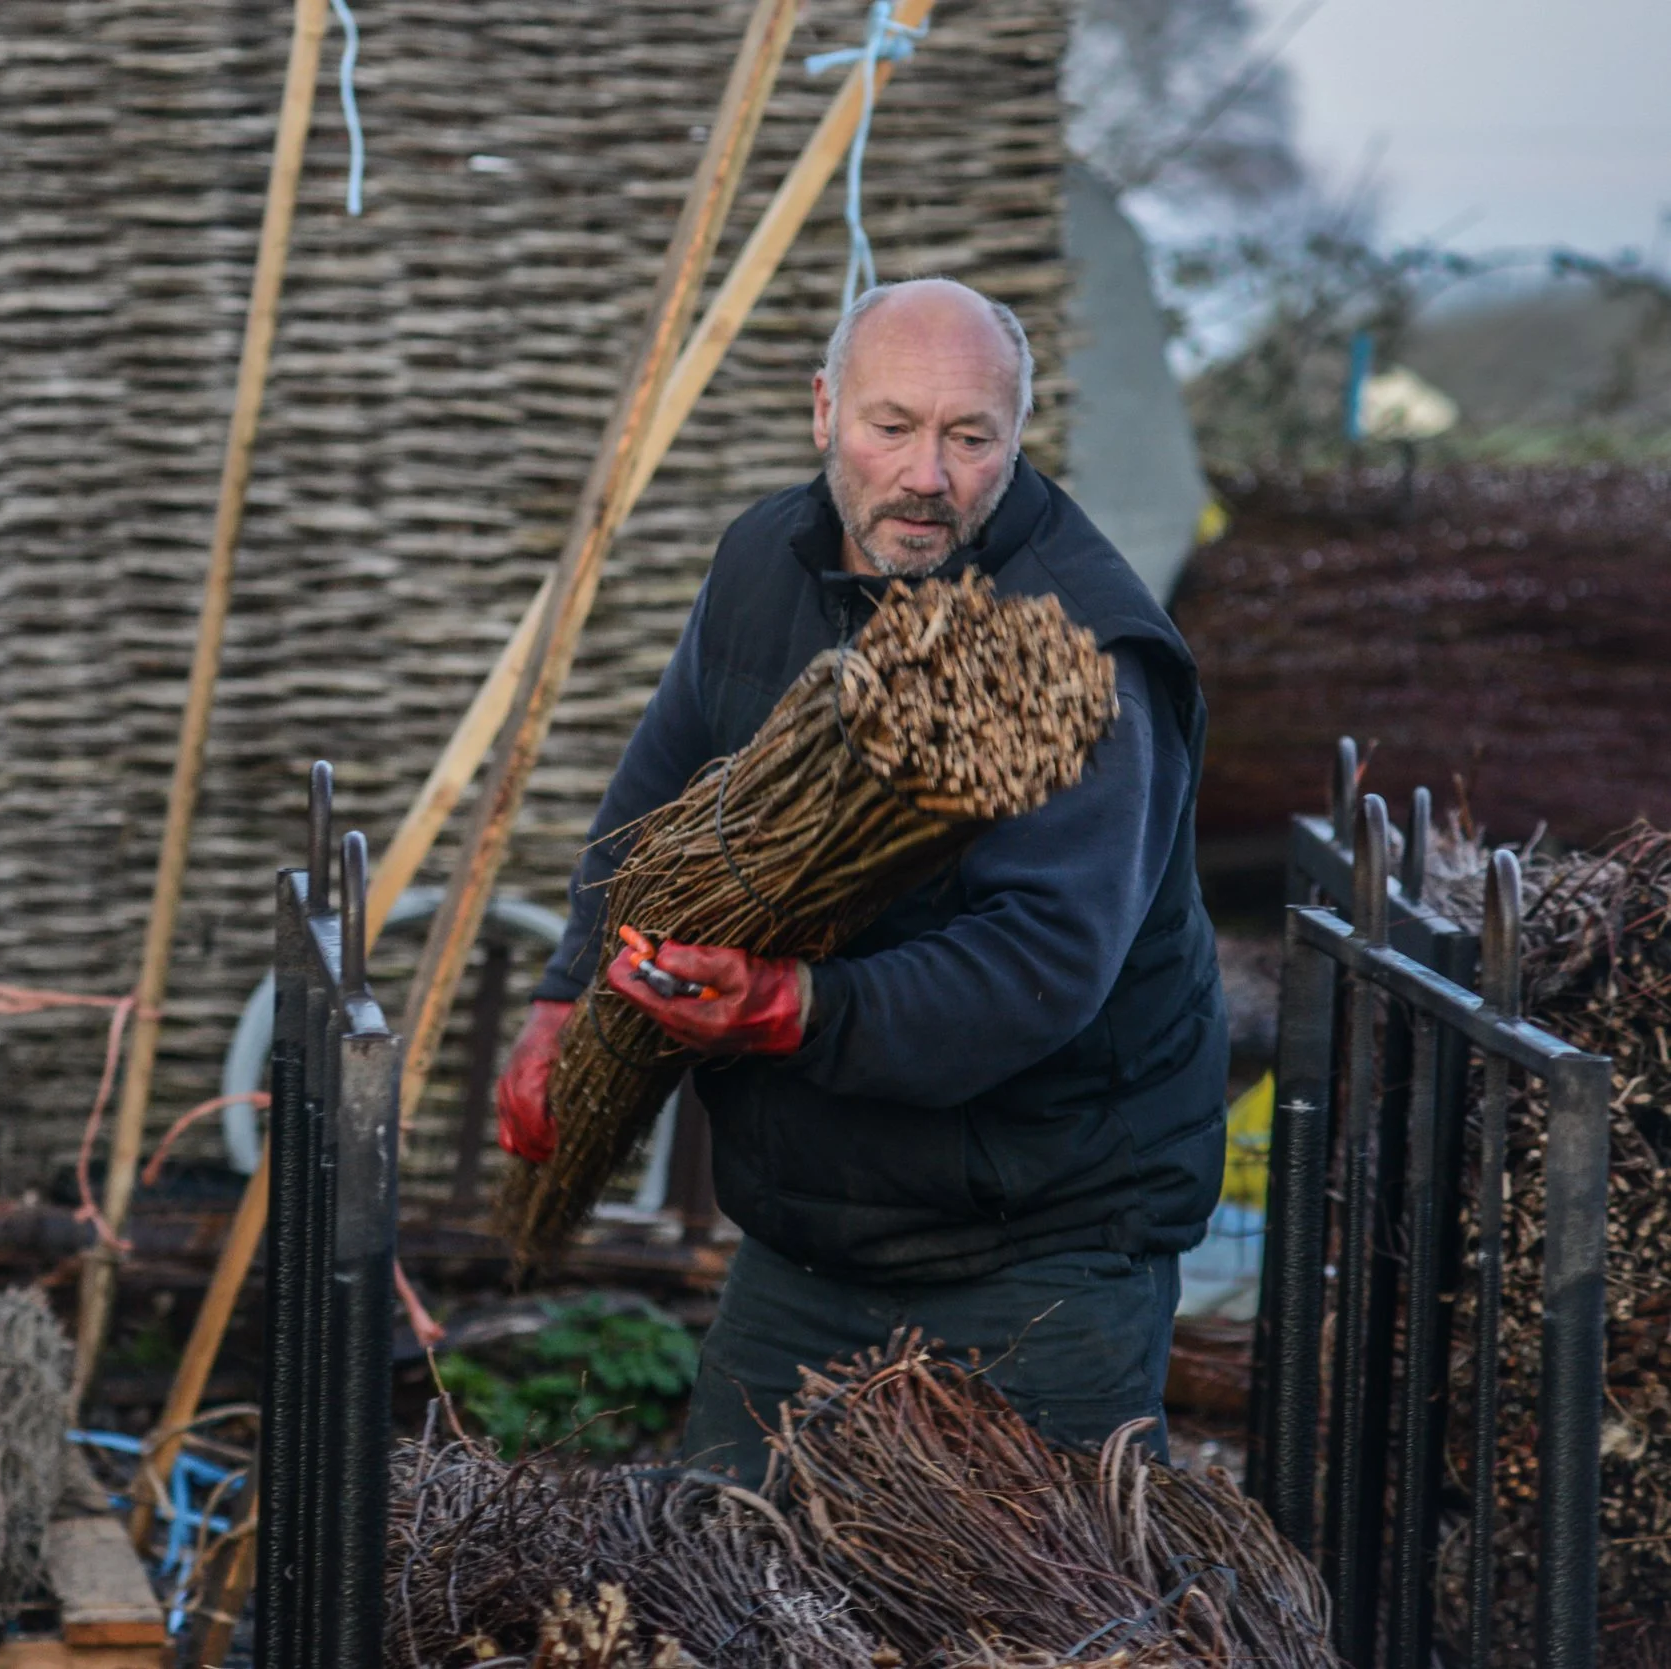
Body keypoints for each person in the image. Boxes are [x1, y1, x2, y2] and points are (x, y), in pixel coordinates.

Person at [495, 277, 1226, 1484]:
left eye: (968, 437)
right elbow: (654, 799)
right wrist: (567, 996)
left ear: (1014, 439)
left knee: (1022, 1627)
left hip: (1042, 1257)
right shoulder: (762, 564)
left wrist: (790, 1007)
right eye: (892, 426)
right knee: (722, 1584)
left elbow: (1037, 969)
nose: (925, 475)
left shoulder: (1085, 650)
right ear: (824, 410)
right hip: (809, 1244)